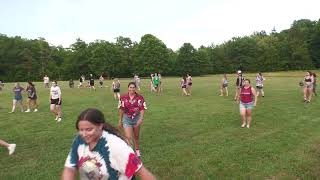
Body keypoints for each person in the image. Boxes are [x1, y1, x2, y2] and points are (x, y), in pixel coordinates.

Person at [61, 108, 156, 180]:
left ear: (100, 126)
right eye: (81, 130)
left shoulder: (117, 146)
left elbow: (142, 173)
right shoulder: (79, 141)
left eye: (89, 129)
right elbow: (70, 168)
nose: (84, 134)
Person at [118, 82, 147, 158]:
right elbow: (121, 109)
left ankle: (137, 149)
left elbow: (142, 108)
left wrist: (141, 118)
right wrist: (120, 120)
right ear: (128, 88)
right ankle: (131, 153)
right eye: (130, 87)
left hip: (136, 119)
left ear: (135, 88)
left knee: (136, 136)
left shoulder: (140, 98)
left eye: (133, 87)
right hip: (127, 119)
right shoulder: (123, 97)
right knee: (128, 137)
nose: (132, 89)